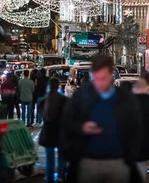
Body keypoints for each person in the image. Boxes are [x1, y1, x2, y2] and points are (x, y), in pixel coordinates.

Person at [60, 55, 143, 183]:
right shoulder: (81, 97)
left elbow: (136, 128)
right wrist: (82, 128)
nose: (100, 84)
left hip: (119, 162)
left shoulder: (125, 99)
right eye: (96, 79)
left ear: (112, 75)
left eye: (103, 78)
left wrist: (131, 153)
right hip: (87, 162)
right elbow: (66, 124)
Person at [38, 78, 68, 183]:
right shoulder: (64, 100)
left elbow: (41, 114)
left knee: (49, 159)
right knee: (61, 157)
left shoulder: (44, 101)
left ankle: (49, 178)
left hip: (49, 132)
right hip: (61, 132)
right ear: (58, 86)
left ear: (49, 86)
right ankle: (61, 177)